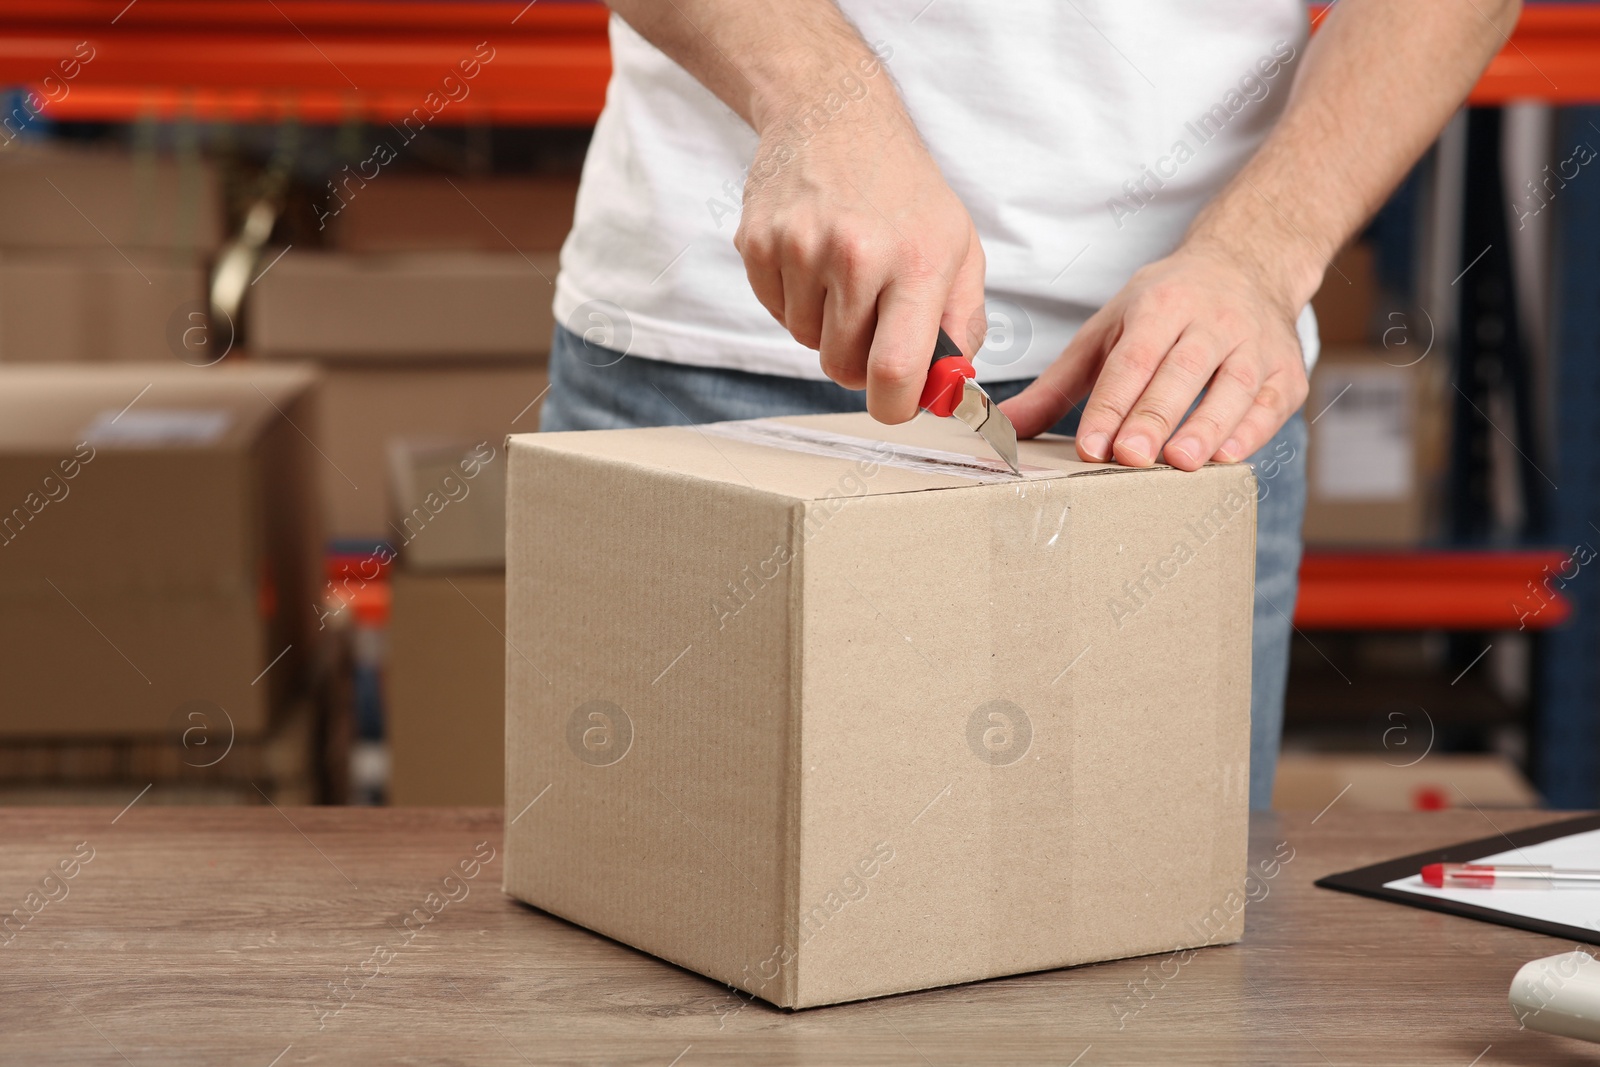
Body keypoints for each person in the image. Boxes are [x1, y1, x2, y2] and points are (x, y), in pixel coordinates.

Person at [540, 0, 1520, 808]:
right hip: (709, 350)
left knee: (1138, 981)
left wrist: (1260, 253)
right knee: (651, 966)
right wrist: (816, 98)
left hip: (1171, 397)